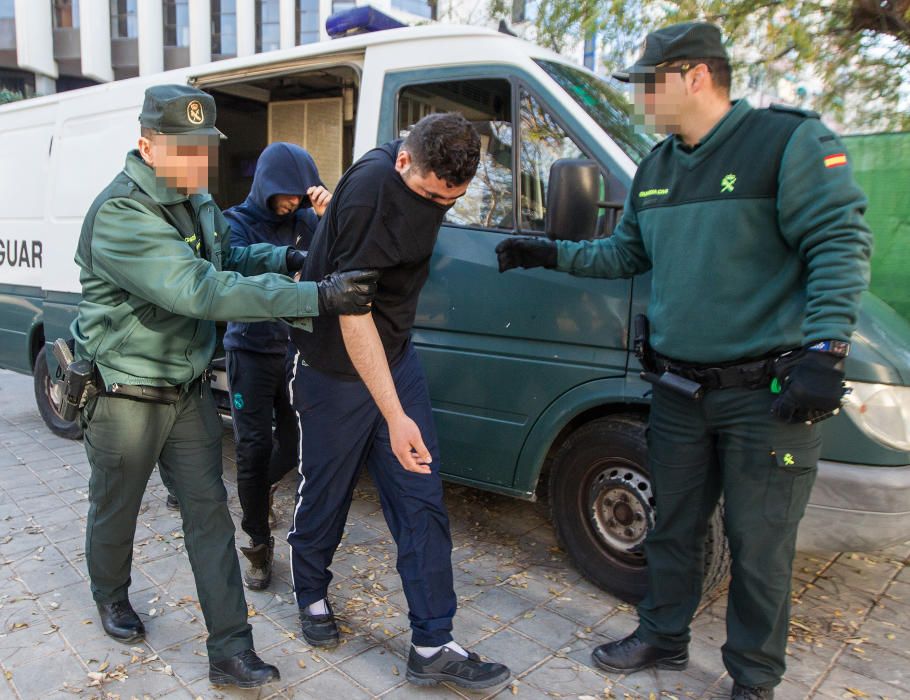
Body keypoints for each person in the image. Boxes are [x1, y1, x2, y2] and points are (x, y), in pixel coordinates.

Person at [495, 22, 871, 700]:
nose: (640, 98)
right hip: (678, 393)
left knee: (760, 547)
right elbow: (623, 255)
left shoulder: (786, 144)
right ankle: (662, 636)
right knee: (673, 528)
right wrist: (546, 251)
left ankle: (754, 678)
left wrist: (827, 349)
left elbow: (839, 243)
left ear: (694, 76)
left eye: (647, 83)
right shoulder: (659, 168)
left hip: (767, 398)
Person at [71, 84, 377, 689]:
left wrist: (286, 262)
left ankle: (231, 649)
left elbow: (227, 259)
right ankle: (110, 593)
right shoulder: (121, 214)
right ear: (146, 145)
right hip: (124, 397)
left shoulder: (197, 200)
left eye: (203, 148)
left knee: (209, 515)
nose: (197, 160)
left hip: (184, 393)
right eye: (184, 149)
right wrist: (313, 295)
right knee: (117, 509)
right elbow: (201, 291)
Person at [286, 113, 511, 690]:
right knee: (327, 493)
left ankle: (433, 641)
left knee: (421, 495)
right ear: (405, 161)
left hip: (396, 355)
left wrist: (397, 409)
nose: (438, 208)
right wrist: (394, 415)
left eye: (450, 201)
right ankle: (310, 592)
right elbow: (354, 315)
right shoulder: (368, 192)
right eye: (432, 196)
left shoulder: (427, 176)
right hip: (334, 366)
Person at [221, 142, 332, 590]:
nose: (293, 203)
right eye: (287, 194)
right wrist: (287, 263)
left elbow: (338, 259)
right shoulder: (236, 223)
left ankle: (257, 490)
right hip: (248, 350)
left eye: (301, 196)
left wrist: (329, 217)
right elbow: (234, 268)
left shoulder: (306, 220)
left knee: (295, 446)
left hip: (292, 352)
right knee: (251, 449)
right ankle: (258, 543)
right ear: (266, 185)